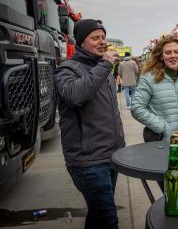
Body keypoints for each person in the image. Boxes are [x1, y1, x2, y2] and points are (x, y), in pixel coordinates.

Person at [55, 19, 125, 229]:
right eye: (95, 38)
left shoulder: (102, 69)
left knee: (98, 216)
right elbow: (75, 95)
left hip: (111, 155)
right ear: (81, 42)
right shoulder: (67, 69)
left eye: (103, 37)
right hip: (88, 161)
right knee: (107, 218)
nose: (102, 41)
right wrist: (105, 65)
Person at [131, 35, 178, 142]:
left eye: (176, 52)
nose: (173, 56)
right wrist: (163, 128)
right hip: (160, 139)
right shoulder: (148, 78)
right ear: (161, 56)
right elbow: (137, 108)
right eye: (168, 53)